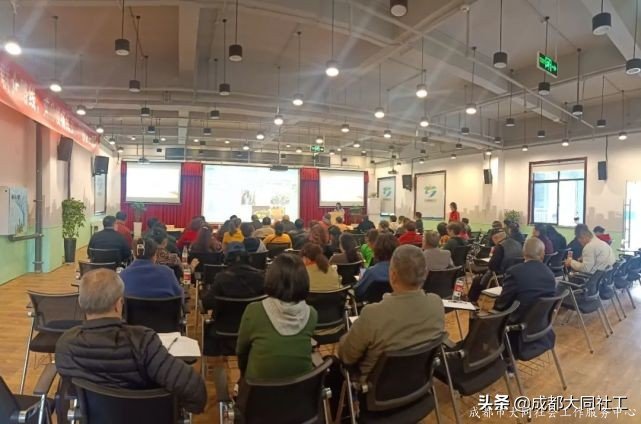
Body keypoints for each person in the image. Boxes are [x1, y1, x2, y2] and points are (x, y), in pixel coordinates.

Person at [55, 269, 207, 413]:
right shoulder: (143, 341)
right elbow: (195, 391)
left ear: (81, 304)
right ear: (118, 304)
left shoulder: (65, 345)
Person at [339, 245, 445, 382]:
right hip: (418, 382)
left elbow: (346, 355)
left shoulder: (373, 314)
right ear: (426, 273)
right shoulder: (437, 303)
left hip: (375, 388)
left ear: (393, 275)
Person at [236, 253, 318, 380]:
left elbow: (241, 351)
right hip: (301, 388)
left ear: (271, 278)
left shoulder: (254, 310)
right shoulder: (312, 313)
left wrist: (243, 375)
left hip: (258, 388)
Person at [494, 238, 558, 358]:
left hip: (517, 330)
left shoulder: (515, 272)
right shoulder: (550, 274)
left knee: (482, 319)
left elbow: (502, 305)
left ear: (524, 252)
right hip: (541, 327)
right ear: (542, 254)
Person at [201, 243, 265, 310]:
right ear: (249, 258)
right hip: (252, 316)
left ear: (226, 260)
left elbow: (205, 304)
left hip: (225, 316)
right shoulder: (262, 277)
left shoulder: (221, 278)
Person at [119, 238, 186, 298]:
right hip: (164, 308)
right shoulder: (168, 273)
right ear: (155, 255)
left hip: (133, 308)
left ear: (134, 254)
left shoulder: (123, 276)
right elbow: (180, 298)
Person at [468, 229, 523, 302]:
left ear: (496, 238)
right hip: (514, 277)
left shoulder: (500, 247)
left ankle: (471, 301)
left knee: (477, 280)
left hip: (499, 277)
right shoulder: (518, 244)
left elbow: (492, 266)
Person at [354, 233, 398, 300]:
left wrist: (361, 279)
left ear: (376, 249)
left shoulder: (371, 272)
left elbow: (358, 292)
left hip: (376, 303)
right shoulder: (404, 272)